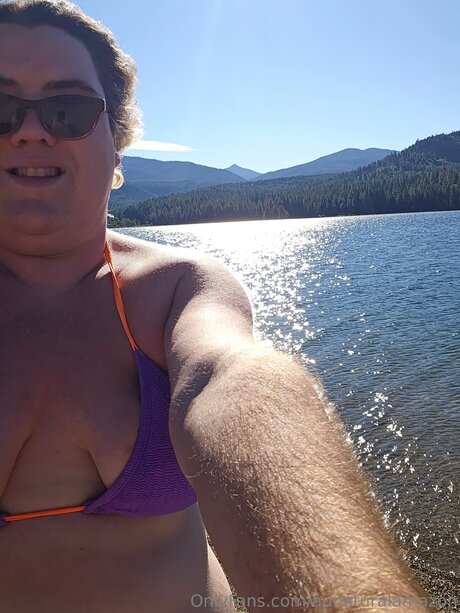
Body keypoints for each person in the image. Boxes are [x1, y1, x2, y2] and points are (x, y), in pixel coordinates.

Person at [0, 1, 430, 611]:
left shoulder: (177, 286)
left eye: (67, 110)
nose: (29, 131)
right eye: (1, 107)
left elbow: (231, 380)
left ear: (117, 148)